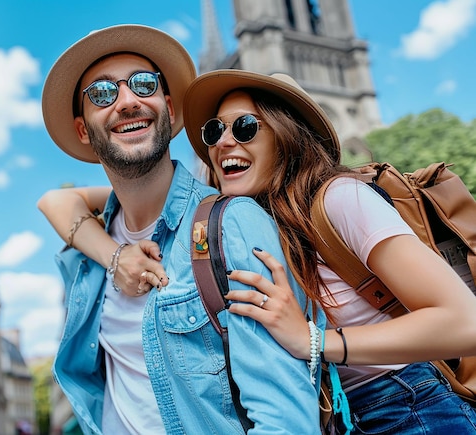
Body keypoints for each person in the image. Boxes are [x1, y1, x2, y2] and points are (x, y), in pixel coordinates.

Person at [44, 68, 476, 434]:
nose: (223, 142)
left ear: (286, 135)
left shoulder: (338, 199)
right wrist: (115, 255)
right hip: (341, 415)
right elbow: (60, 201)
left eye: (245, 127)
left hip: (407, 407)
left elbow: (465, 322)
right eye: (214, 131)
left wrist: (316, 342)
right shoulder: (239, 215)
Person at [38, 25, 324, 435]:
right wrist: (115, 256)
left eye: (143, 84)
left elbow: (288, 423)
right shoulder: (90, 250)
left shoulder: (232, 224)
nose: (127, 101)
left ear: (168, 107)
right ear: (83, 129)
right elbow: (53, 200)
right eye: (102, 94)